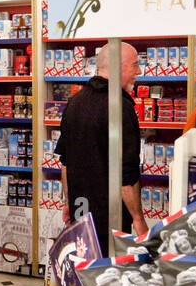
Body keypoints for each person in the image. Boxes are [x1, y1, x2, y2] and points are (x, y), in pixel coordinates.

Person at [55, 41, 147, 254]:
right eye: (134, 65)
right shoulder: (120, 107)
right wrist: (138, 218)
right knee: (108, 276)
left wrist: (69, 202)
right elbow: (126, 173)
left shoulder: (75, 102)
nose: (139, 71)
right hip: (109, 218)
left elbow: (66, 162)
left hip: (81, 210)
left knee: (84, 271)